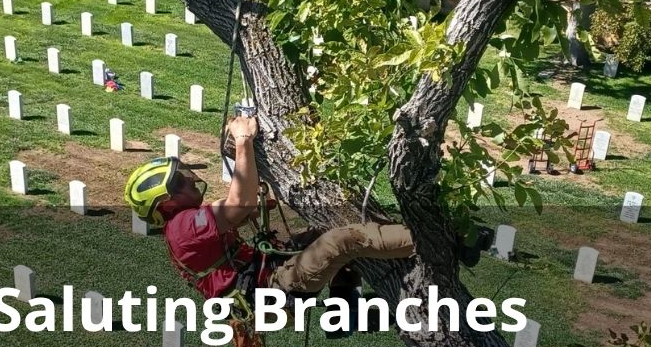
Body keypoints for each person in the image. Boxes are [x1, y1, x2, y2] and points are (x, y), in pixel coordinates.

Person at [123, 115, 492, 306]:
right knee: (340, 240)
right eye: (180, 183)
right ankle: (439, 239)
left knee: (323, 228)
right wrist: (243, 140)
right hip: (270, 291)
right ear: (166, 204)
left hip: (266, 282)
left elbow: (239, 206)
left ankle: (343, 307)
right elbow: (239, 203)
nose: (190, 183)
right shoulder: (183, 228)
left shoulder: (184, 227)